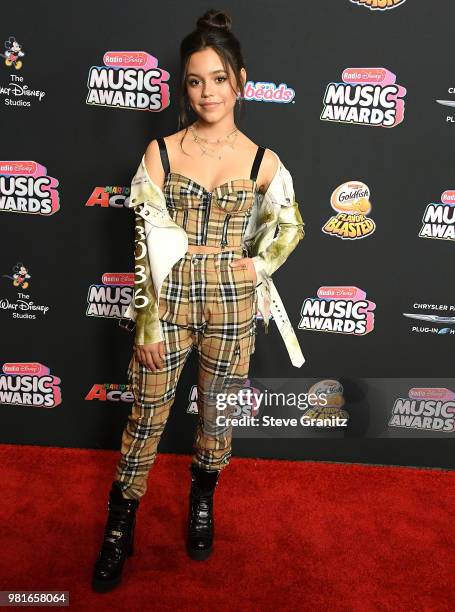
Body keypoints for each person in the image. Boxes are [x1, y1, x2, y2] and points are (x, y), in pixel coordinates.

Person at [92, 8, 305, 593]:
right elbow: (142, 245)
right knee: (145, 415)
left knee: (218, 416)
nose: (207, 92)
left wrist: (258, 262)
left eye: (217, 78)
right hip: (170, 296)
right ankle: (120, 524)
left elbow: (289, 227)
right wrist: (146, 326)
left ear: (240, 80)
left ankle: (202, 501)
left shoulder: (265, 161)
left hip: (233, 304)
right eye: (194, 80)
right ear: (182, 86)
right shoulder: (160, 154)